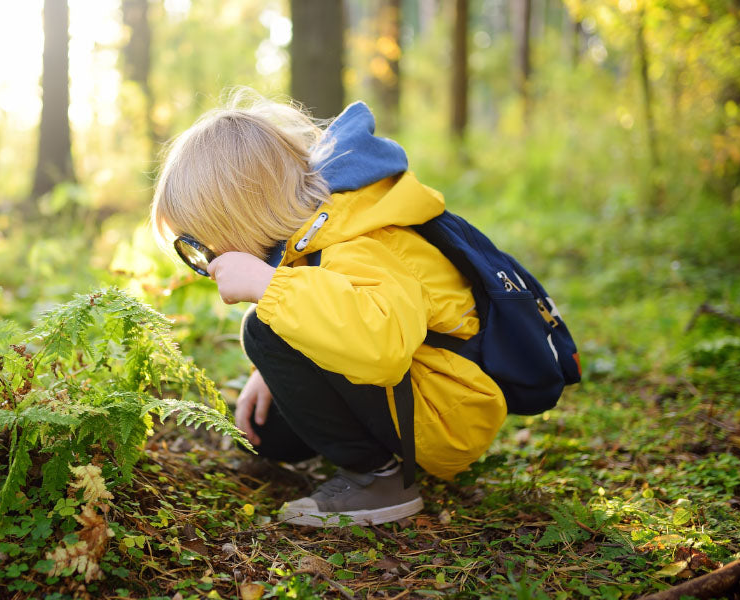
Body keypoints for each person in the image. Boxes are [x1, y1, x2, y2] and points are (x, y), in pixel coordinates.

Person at [150, 91, 506, 527]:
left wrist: (268, 287)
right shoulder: (312, 234)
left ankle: (379, 481)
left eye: (199, 244)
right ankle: (360, 456)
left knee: (261, 329)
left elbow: (382, 345)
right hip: (419, 395)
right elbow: (332, 307)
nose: (203, 260)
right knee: (271, 434)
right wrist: (271, 371)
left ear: (239, 217)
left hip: (446, 412)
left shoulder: (358, 238)